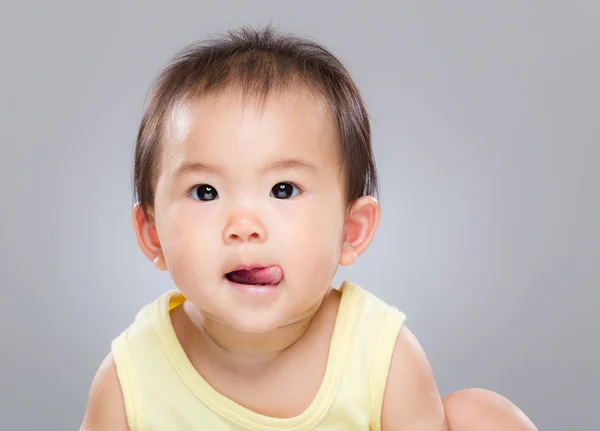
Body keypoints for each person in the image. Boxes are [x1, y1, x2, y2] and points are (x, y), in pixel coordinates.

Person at [80, 26, 537, 430]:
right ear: (153, 234)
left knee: (482, 416)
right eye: (205, 192)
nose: (244, 226)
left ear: (350, 230)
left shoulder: (379, 355)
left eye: (283, 189)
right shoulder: (130, 379)